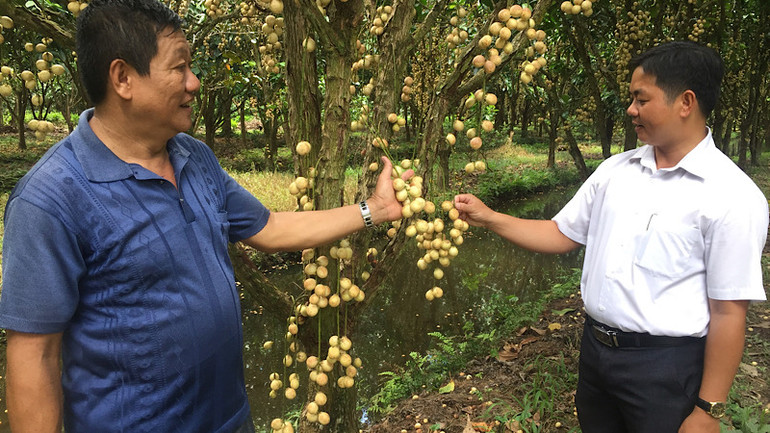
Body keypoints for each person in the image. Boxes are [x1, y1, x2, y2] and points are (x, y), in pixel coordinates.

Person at [0, 0, 410, 432]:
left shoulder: (194, 157)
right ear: (123, 78)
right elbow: (34, 356)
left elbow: (270, 227)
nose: (194, 82)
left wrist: (376, 210)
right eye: (179, 68)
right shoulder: (50, 199)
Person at [454, 41, 768, 433]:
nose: (630, 110)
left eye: (641, 99)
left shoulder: (731, 196)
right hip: (597, 353)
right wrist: (490, 218)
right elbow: (560, 233)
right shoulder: (614, 172)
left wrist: (707, 409)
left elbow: (728, 312)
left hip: (665, 368)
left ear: (685, 102)